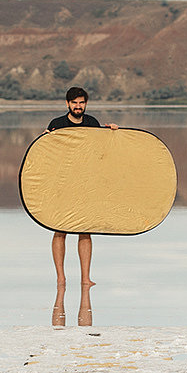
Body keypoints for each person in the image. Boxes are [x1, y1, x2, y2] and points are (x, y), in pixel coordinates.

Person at [46, 86, 118, 300]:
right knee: (59, 230)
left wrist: (112, 133)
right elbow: (47, 154)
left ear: (85, 104)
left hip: (86, 184)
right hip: (61, 184)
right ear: (67, 104)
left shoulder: (91, 123)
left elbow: (101, 152)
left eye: (82, 103)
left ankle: (85, 278)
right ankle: (61, 278)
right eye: (74, 103)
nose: (78, 106)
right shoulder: (57, 125)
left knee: (85, 230)